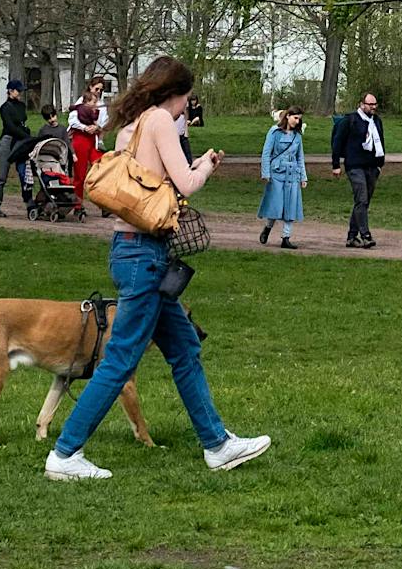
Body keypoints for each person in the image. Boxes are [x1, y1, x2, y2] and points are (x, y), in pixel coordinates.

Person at [45, 56, 270, 480]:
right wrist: (204, 165)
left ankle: (217, 444)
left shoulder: (130, 125)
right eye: (186, 98)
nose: (187, 106)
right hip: (145, 255)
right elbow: (184, 184)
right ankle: (65, 453)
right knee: (120, 359)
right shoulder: (162, 121)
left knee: (185, 349)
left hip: (128, 249)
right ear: (175, 93)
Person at [330, 89, 386, 249]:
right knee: (361, 198)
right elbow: (337, 142)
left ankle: (351, 237)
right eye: (370, 104)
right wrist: (336, 165)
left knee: (363, 202)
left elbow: (380, 142)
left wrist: (380, 164)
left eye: (375, 104)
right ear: (361, 104)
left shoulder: (377, 121)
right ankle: (365, 235)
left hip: (372, 167)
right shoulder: (350, 120)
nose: (373, 107)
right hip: (355, 166)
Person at [258, 107, 309, 248]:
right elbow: (266, 153)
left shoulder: (297, 136)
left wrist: (303, 177)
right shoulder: (274, 132)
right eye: (295, 118)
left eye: (299, 118)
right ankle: (267, 228)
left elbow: (300, 157)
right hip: (277, 173)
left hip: (292, 174)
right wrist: (266, 173)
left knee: (290, 206)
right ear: (288, 116)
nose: (297, 121)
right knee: (276, 206)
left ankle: (286, 237)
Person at [0, 78, 31, 217]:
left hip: (20, 141)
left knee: (24, 173)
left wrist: (26, 135)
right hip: (8, 141)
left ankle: (29, 202)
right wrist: (25, 136)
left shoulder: (21, 106)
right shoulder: (5, 107)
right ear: (10, 91)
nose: (20, 93)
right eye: (18, 91)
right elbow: (10, 127)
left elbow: (22, 122)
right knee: (2, 176)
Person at [66, 75, 107, 205]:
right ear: (91, 87)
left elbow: (104, 122)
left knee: (101, 168)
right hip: (81, 138)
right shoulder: (82, 102)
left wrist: (97, 127)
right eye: (97, 88)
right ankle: (78, 203)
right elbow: (72, 120)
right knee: (80, 173)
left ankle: (104, 203)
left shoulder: (102, 105)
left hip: (93, 140)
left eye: (101, 89)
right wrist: (84, 128)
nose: (98, 92)